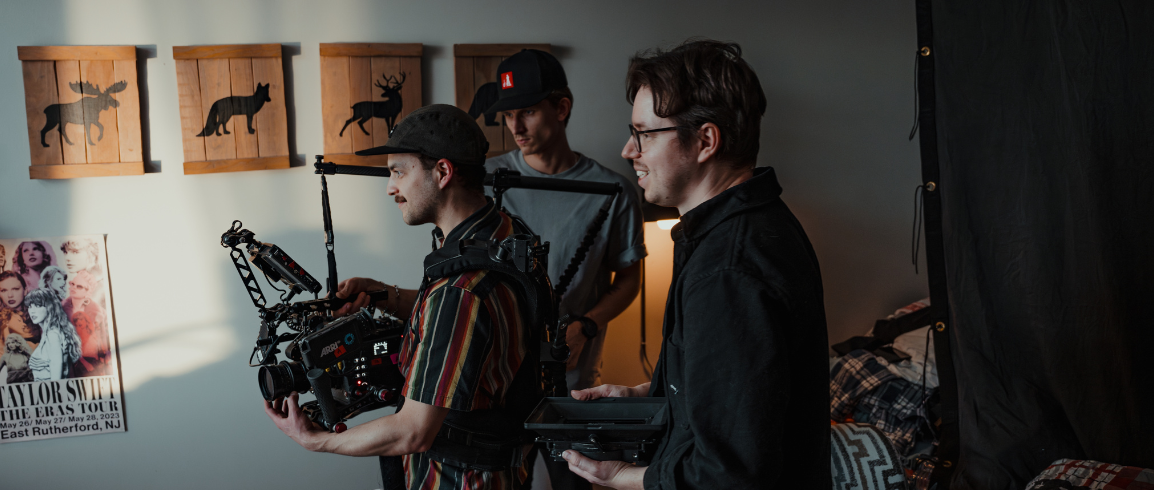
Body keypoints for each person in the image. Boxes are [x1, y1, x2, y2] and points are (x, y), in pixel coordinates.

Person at [562, 40, 831, 489]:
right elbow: (743, 397)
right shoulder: (743, 227)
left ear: (705, 141)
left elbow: (727, 475)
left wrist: (625, 477)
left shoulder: (728, 271)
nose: (629, 151)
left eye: (645, 133)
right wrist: (646, 395)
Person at [263, 104, 542, 490]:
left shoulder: (461, 290)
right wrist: (386, 296)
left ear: (443, 172)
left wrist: (317, 440)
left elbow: (412, 432)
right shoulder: (503, 236)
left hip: (458, 479)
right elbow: (463, 327)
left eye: (398, 171)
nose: (390, 187)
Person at [480, 49, 646, 490]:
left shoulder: (613, 191)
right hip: (493, 383)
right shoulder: (485, 182)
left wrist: (586, 326)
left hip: (572, 387)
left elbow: (629, 280)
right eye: (508, 114)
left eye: (528, 112)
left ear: (562, 108)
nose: (515, 127)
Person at [24, 287, 81, 381]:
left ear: (49, 307)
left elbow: (56, 382)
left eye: (37, 305)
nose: (32, 311)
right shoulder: (49, 333)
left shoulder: (52, 334)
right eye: (30, 306)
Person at [63, 270, 110, 376]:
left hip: (95, 363)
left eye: (79, 286)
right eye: (72, 284)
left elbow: (106, 341)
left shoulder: (100, 313)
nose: (73, 288)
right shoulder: (60, 310)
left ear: (88, 291)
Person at [0, 271, 35, 370]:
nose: (10, 295)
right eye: (4, 290)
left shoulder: (37, 315)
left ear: (25, 290)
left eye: (15, 289)